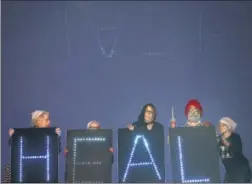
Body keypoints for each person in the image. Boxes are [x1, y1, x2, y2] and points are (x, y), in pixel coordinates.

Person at [3, 110, 61, 183]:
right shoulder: (25, 136)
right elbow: (14, 150)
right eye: (46, 120)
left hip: (39, 173)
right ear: (38, 121)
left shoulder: (50, 136)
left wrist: (57, 138)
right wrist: (12, 136)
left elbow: (55, 153)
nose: (49, 122)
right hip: (24, 172)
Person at [217, 117, 251, 183]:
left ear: (228, 126)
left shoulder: (235, 137)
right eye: (219, 125)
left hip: (241, 170)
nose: (220, 127)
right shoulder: (219, 139)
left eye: (223, 125)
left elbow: (238, 152)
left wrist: (227, 144)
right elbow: (220, 152)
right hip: (230, 171)